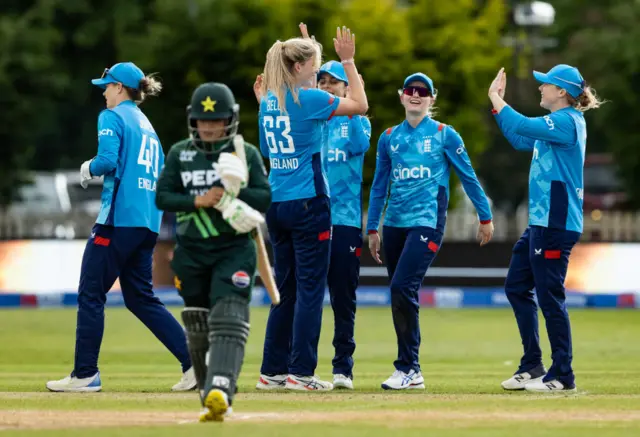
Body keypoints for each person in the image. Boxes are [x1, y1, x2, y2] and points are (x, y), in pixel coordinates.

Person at [46, 62, 195, 393]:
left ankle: (85, 374)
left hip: (117, 220)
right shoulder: (147, 125)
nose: (103, 91)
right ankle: (195, 362)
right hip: (147, 222)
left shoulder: (112, 117)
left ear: (119, 88)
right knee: (141, 298)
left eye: (107, 85)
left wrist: (87, 169)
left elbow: (108, 161)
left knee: (90, 293)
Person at [255, 24, 368, 391]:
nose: (319, 75)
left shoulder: (269, 100)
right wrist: (348, 62)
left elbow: (271, 153)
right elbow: (361, 106)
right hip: (310, 202)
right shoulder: (310, 99)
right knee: (309, 291)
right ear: (300, 67)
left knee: (284, 290)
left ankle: (271, 371)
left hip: (278, 203)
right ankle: (301, 373)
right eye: (316, 68)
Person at [367, 72, 494, 390]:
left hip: (427, 223)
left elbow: (468, 176)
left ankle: (408, 368)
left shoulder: (444, 134)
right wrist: (372, 227)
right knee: (399, 295)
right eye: (410, 90)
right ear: (401, 95)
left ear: (431, 99)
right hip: (394, 224)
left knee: (401, 288)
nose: (416, 95)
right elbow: (379, 185)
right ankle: (409, 369)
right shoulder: (389, 137)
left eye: (422, 92)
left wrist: (485, 217)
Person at [156, 81, 269, 421]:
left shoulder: (243, 153)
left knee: (228, 316)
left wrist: (234, 195)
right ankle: (210, 398)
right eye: (203, 121)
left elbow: (264, 198)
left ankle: (222, 387)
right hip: (191, 252)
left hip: (233, 248)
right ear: (193, 120)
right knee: (197, 322)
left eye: (216, 120)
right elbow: (162, 197)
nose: (208, 127)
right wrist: (197, 200)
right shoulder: (180, 153)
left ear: (229, 120)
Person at [489, 64, 604, 393]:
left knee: (550, 297)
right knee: (516, 287)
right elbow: (517, 136)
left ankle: (563, 375)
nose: (541, 89)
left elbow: (522, 123)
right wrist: (497, 105)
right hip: (542, 222)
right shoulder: (554, 126)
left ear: (562, 92)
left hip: (556, 222)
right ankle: (533, 365)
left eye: (546, 85)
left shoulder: (566, 122)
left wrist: (496, 97)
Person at [317, 60, 371, 389]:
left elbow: (360, 146)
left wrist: (351, 103)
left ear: (345, 88)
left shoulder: (357, 121)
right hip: (312, 218)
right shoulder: (312, 119)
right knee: (303, 294)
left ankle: (342, 368)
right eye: (321, 81)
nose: (325, 86)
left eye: (332, 82)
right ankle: (299, 365)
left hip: (346, 221)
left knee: (342, 297)